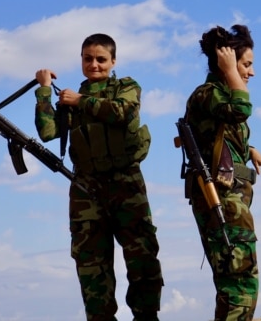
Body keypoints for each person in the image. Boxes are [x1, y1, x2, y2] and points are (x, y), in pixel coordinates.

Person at [34, 33, 163, 321]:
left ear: (112, 61)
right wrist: (44, 90)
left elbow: (124, 112)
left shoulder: (126, 87)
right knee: (91, 266)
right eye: (88, 58)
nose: (94, 64)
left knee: (141, 259)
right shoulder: (68, 100)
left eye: (101, 59)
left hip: (126, 186)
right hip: (86, 190)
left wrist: (81, 101)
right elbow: (48, 132)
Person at [182, 24, 261, 321]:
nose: (251, 73)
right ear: (228, 61)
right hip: (222, 200)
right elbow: (241, 109)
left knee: (236, 282)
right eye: (247, 64)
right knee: (240, 283)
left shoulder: (217, 97)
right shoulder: (209, 94)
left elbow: (219, 134)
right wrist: (233, 71)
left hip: (231, 200)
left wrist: (249, 149)